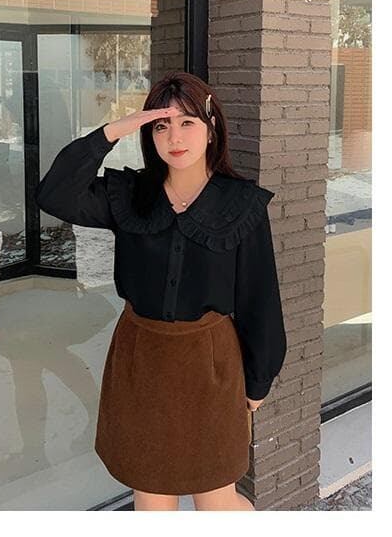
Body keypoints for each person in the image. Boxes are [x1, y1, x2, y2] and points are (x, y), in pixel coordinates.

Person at [35, 71, 287, 511]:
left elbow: (259, 298)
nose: (174, 137)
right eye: (161, 126)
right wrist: (112, 131)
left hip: (211, 368)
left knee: (217, 502)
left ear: (212, 129)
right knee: (151, 499)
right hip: (141, 363)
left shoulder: (241, 205)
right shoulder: (130, 195)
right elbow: (54, 194)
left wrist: (258, 378)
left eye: (187, 123)